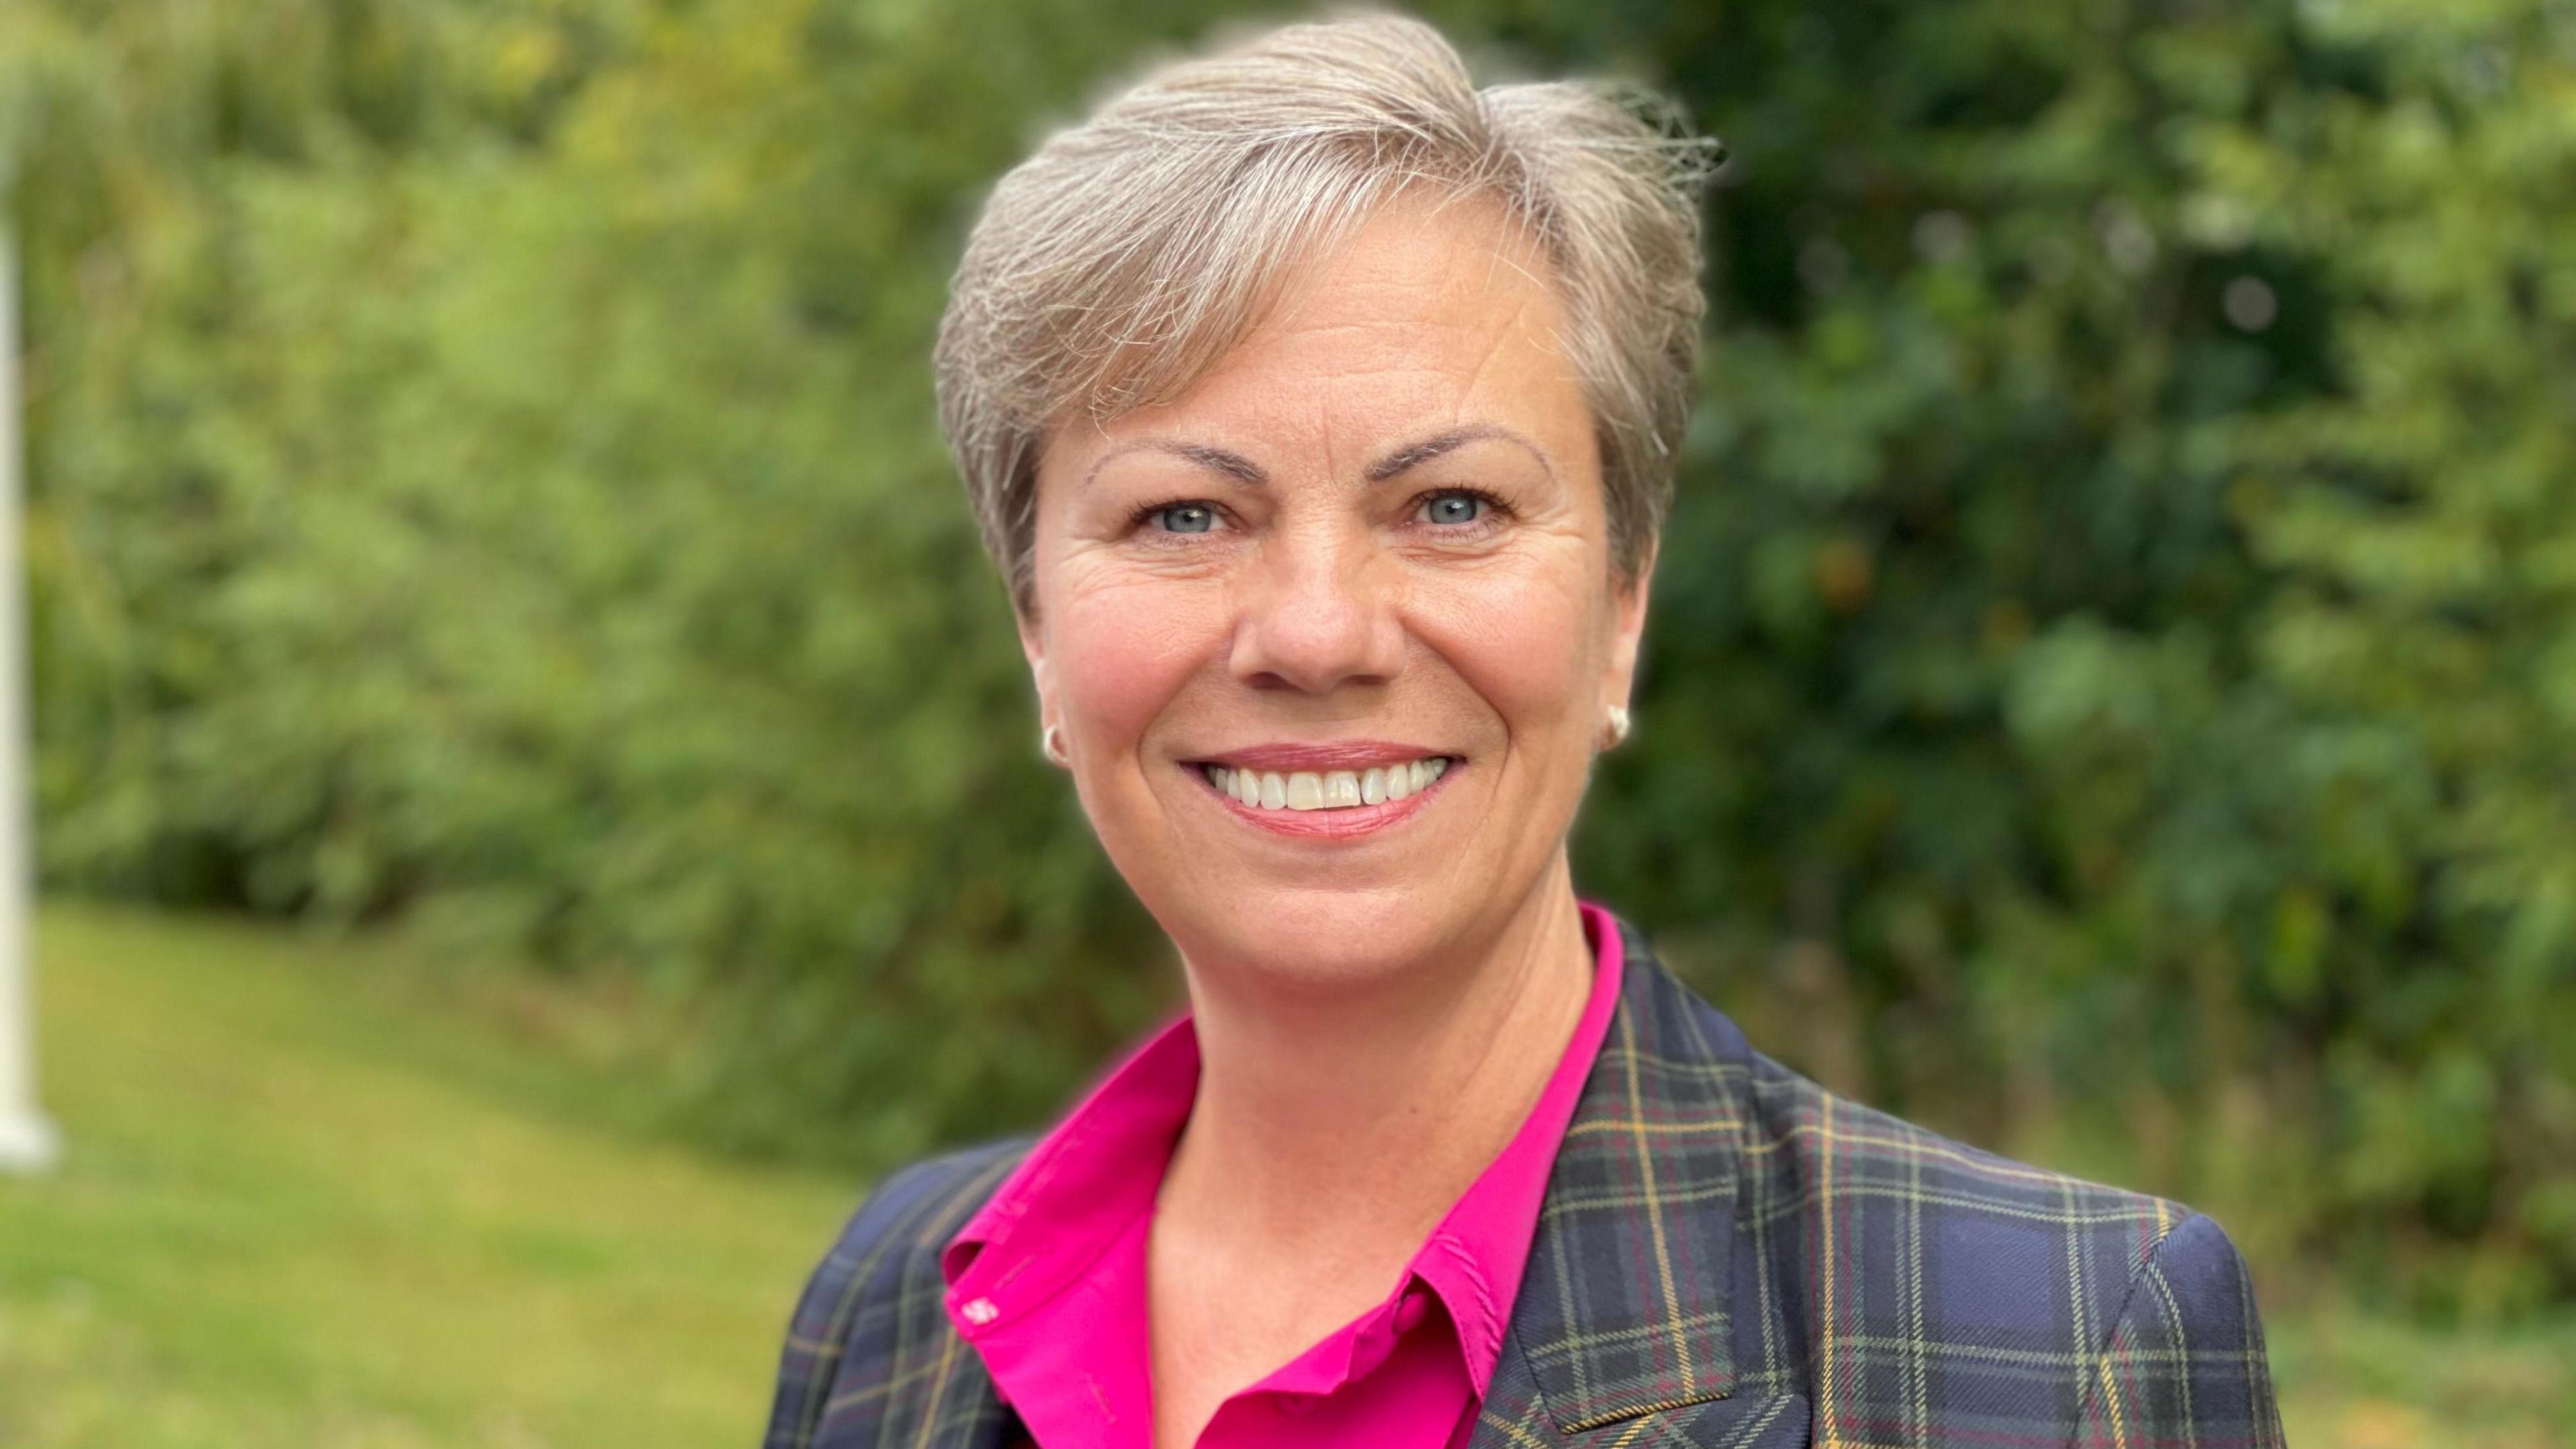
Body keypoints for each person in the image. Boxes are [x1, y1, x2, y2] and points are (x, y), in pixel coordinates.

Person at [765, 13, 2284, 1449]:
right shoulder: (892, 1311)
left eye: (1451, 507)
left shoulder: (2046, 1357)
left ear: (1623, 599)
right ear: (1038, 626)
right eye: (1184, 513)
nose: (1317, 634)